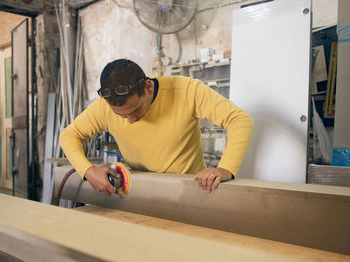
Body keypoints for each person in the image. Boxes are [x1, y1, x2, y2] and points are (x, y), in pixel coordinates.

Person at [60, 58, 253, 196]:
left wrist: (226, 168)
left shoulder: (186, 91)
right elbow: (69, 135)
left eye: (135, 110)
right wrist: (88, 170)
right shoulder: (103, 107)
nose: (130, 121)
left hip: (191, 193)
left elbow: (239, 119)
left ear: (148, 87)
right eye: (121, 115)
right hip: (138, 192)